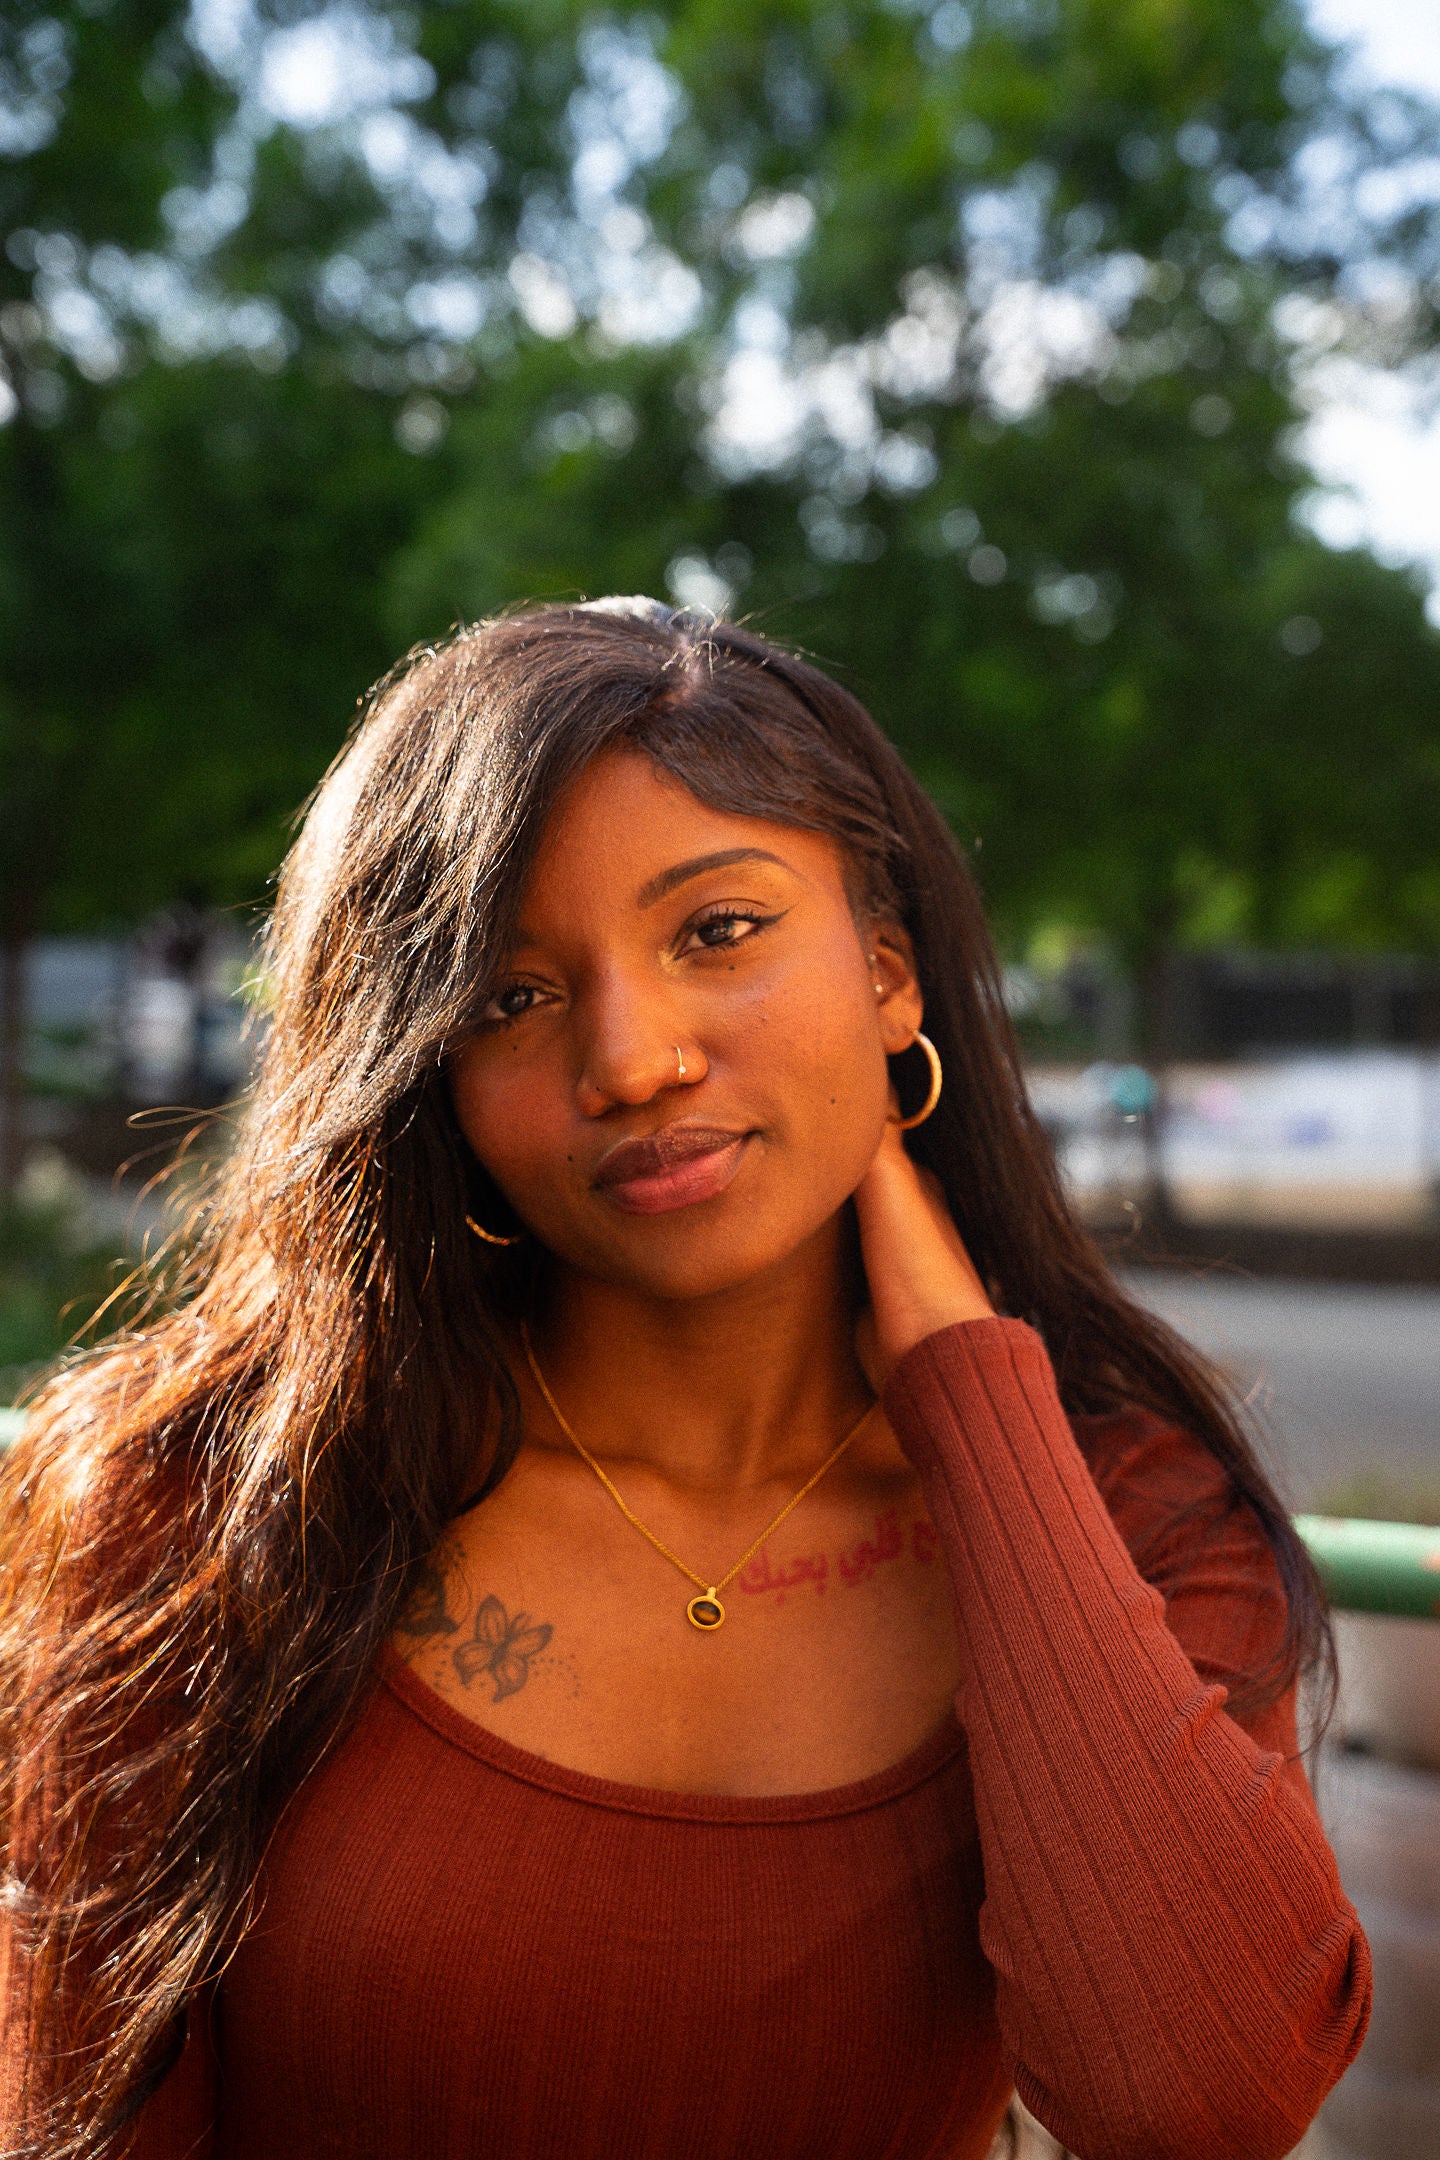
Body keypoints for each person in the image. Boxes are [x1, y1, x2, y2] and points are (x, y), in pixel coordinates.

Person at [0, 601, 1369, 2160]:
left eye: (717, 930)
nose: (632, 1059)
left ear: (889, 972)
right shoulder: (208, 1501)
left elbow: (1192, 2098)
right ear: (428, 1074)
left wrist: (972, 1391)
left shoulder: (1126, 1516)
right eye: (510, 996)